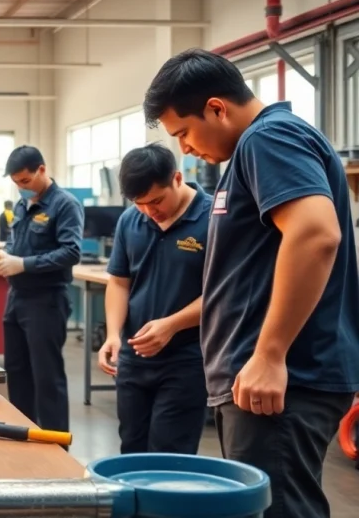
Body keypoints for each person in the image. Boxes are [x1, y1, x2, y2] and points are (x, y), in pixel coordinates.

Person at [143, 48, 359, 518]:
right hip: (262, 382)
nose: (183, 147)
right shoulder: (255, 148)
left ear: (217, 108)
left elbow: (316, 233)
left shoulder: (270, 138)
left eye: (184, 132)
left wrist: (270, 354)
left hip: (282, 382)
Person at [98, 143, 210, 455]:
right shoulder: (129, 221)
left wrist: (172, 325)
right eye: (140, 203)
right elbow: (119, 283)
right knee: (131, 449)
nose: (150, 211)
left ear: (177, 178)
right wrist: (112, 335)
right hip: (134, 359)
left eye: (156, 200)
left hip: (187, 360)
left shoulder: (214, 219)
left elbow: (224, 293)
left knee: (169, 454)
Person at [0, 145, 83, 434]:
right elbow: (13, 241)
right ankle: (23, 436)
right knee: (17, 374)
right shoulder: (21, 205)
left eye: (25, 181)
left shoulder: (64, 205)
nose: (21, 188)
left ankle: (56, 445)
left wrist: (25, 264)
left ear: (41, 170)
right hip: (16, 299)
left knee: (47, 378)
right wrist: (4, 255)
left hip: (46, 300)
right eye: (16, 183)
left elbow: (71, 252)